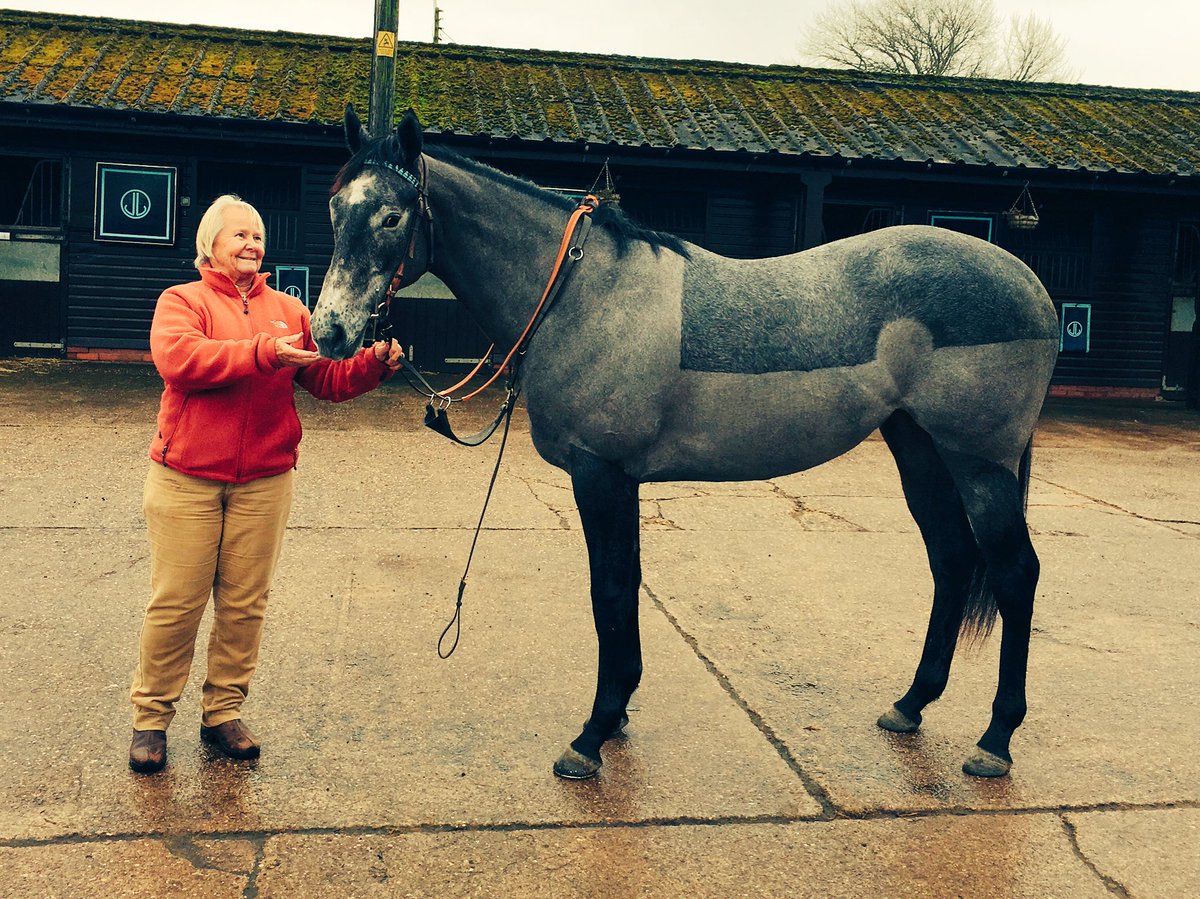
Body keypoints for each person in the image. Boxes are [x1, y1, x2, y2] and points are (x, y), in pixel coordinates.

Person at [128, 194, 403, 774]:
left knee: (244, 605)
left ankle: (222, 713)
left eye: (257, 236)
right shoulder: (183, 301)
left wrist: (372, 364)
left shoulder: (290, 309)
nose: (252, 244)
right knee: (177, 604)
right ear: (211, 245)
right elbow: (180, 360)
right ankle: (152, 720)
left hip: (265, 480)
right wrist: (261, 352)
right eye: (239, 236)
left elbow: (322, 379)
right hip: (187, 480)